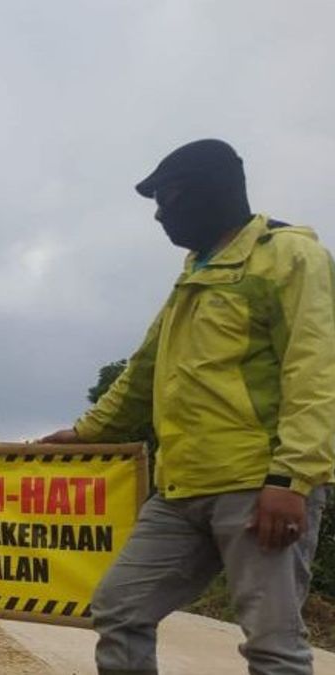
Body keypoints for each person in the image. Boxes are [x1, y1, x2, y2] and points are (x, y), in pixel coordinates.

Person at [41, 139, 335, 675]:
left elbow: (315, 372)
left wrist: (291, 480)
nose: (159, 214)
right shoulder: (195, 271)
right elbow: (145, 371)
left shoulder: (289, 257)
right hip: (180, 490)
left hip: (257, 486)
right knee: (119, 606)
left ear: (209, 192)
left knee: (274, 649)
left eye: (168, 197)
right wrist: (85, 432)